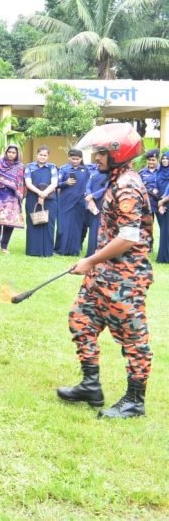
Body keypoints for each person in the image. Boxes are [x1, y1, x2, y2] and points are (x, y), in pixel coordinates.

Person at [56, 123, 153, 419]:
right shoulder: (115, 180)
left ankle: (134, 401)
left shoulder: (127, 185)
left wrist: (90, 260)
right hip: (103, 274)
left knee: (133, 339)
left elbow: (128, 237)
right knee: (81, 319)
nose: (96, 157)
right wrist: (95, 264)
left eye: (100, 153)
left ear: (118, 153)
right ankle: (90, 385)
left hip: (125, 278)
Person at [0, 144, 25, 253]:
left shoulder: (20, 167)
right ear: (6, 152)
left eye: (14, 153)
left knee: (9, 221)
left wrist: (18, 193)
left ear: (17, 154)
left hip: (12, 197)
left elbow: (21, 182)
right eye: (9, 152)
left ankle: (4, 247)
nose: (11, 154)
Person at [23, 146, 59, 257]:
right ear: (37, 154)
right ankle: (33, 250)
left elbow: (54, 183)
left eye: (45, 155)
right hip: (32, 198)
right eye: (41, 155)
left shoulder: (52, 167)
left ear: (48, 156)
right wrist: (40, 193)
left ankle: (48, 251)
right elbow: (28, 183)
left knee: (49, 224)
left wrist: (44, 194)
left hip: (50, 198)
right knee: (33, 223)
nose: (42, 157)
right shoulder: (29, 167)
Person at [55, 149, 90, 256]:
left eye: (77, 159)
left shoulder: (86, 170)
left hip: (80, 202)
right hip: (65, 201)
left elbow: (89, 185)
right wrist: (66, 183)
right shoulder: (64, 169)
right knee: (63, 226)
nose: (75, 161)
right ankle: (61, 249)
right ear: (69, 158)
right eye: (73, 159)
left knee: (77, 226)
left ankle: (75, 250)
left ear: (81, 159)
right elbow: (56, 184)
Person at [83, 161, 109, 257]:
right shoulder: (94, 173)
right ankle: (91, 252)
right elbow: (88, 186)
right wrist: (90, 198)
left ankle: (100, 252)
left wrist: (93, 196)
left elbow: (106, 188)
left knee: (100, 228)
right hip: (92, 204)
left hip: (102, 202)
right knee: (93, 228)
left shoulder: (109, 175)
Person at [156, 151, 169, 263]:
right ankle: (164, 256)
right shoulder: (158, 172)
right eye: (163, 158)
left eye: (167, 158)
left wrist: (162, 201)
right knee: (164, 231)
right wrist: (160, 203)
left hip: (165, 201)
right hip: (162, 202)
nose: (165, 160)